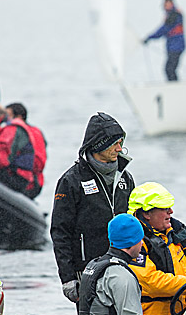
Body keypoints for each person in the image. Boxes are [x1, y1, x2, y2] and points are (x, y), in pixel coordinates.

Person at [51, 112, 136, 305]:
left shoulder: (125, 178)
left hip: (125, 266)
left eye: (121, 142)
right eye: (115, 143)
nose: (120, 148)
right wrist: (68, 278)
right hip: (87, 271)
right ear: (99, 144)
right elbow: (60, 232)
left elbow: (135, 223)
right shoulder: (71, 181)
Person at [127, 182, 186, 315]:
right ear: (146, 214)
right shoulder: (134, 242)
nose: (171, 212)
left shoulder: (176, 234)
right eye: (165, 208)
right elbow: (151, 283)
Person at [0, 102, 46, 198]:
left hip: (19, 178)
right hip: (18, 175)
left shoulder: (10, 129)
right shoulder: (1, 129)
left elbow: (1, 159)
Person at [142, 0, 186, 81]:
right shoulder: (171, 14)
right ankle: (174, 86)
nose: (166, 5)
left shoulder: (174, 15)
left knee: (169, 69)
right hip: (173, 46)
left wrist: (149, 37)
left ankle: (175, 87)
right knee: (170, 69)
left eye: (168, 3)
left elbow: (163, 30)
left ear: (171, 3)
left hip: (176, 46)